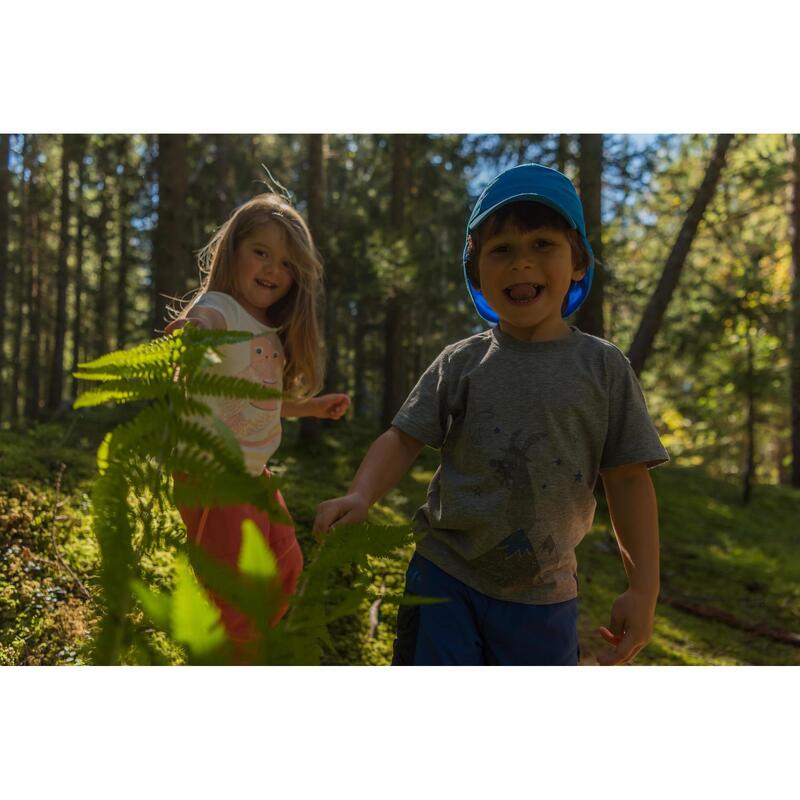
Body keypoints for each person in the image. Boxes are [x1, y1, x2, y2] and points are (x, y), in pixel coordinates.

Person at [313, 163, 668, 666]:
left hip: (545, 596)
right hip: (445, 576)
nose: (522, 264)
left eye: (542, 244)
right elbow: (402, 438)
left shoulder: (604, 368)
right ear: (477, 271)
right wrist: (361, 493)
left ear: (578, 263)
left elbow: (629, 480)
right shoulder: (462, 362)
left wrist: (644, 589)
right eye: (501, 250)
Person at [166, 192, 350, 650]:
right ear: (234, 251)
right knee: (235, 588)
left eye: (286, 263)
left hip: (254, 476)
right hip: (213, 477)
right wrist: (191, 335)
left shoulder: (269, 329)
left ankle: (243, 645)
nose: (272, 270)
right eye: (261, 253)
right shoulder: (220, 307)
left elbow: (262, 398)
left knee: (286, 565)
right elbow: (200, 322)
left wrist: (309, 407)